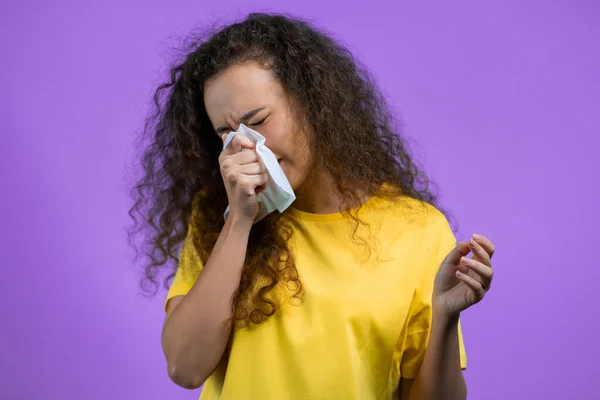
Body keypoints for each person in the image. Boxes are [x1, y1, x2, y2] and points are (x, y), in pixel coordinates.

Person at [129, 12, 495, 400]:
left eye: (258, 121)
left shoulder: (418, 230)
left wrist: (445, 319)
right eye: (226, 133)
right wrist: (239, 222)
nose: (246, 148)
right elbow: (185, 368)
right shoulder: (218, 215)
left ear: (313, 104)